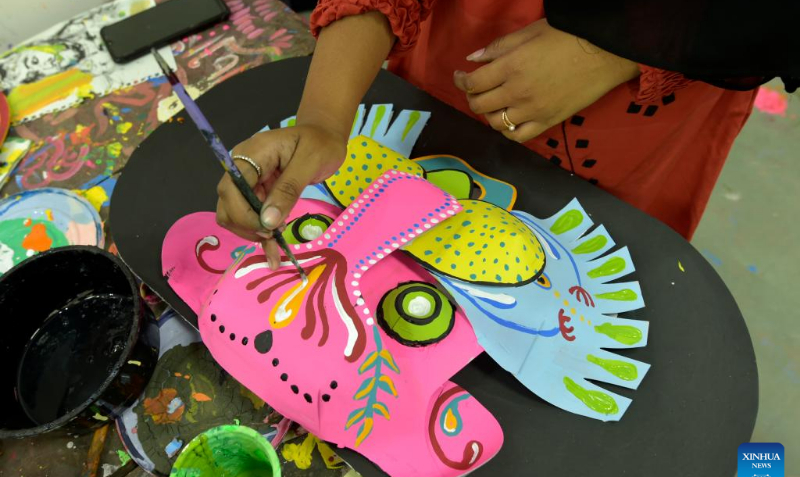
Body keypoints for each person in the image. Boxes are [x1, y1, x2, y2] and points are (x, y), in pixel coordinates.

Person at [215, 0, 799, 269]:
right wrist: (324, 117)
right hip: (457, 62)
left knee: (579, 278)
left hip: (645, 124)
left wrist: (611, 52)